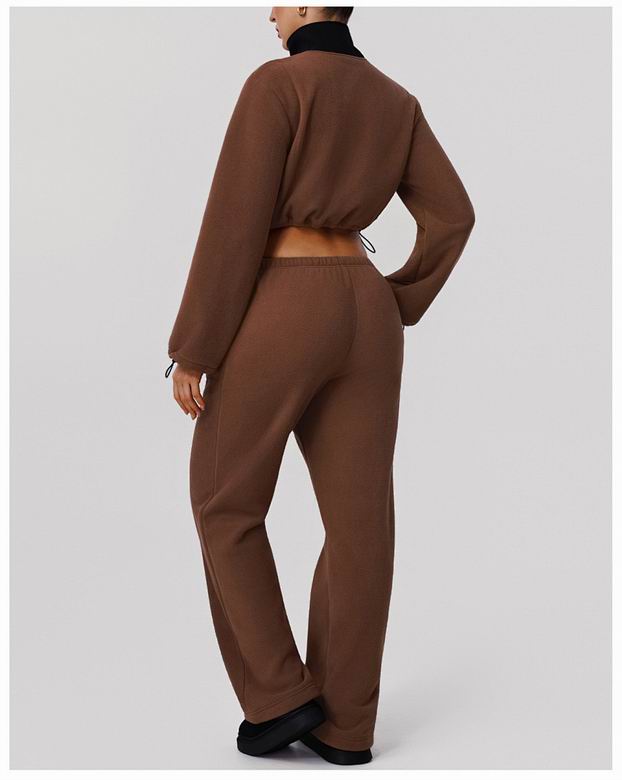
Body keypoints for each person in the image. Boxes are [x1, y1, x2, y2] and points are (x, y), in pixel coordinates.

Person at [165, 6, 475, 766]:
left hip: (285, 299)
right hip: (367, 309)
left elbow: (235, 222)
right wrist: (395, 300)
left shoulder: (277, 85)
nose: (269, 12)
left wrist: (193, 347)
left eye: (278, 0)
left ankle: (280, 698)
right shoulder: (396, 101)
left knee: (225, 500)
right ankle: (346, 727)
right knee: (361, 521)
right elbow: (453, 216)